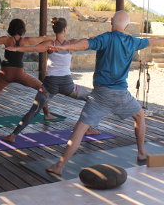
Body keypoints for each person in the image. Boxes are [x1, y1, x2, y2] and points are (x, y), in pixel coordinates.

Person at [46, 11, 153, 175]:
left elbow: (84, 44)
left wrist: (64, 47)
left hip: (100, 95)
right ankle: (141, 152)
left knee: (80, 129)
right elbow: (151, 40)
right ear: (127, 26)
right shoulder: (132, 41)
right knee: (139, 116)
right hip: (121, 95)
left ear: (111, 21)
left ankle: (59, 166)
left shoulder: (106, 38)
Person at [3, 17, 99, 143]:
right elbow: (89, 41)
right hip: (68, 86)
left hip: (49, 86)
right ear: (65, 29)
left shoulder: (50, 44)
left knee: (34, 111)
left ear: (55, 30)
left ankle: (13, 135)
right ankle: (89, 127)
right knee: (93, 98)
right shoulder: (71, 44)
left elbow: (33, 49)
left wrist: (15, 49)